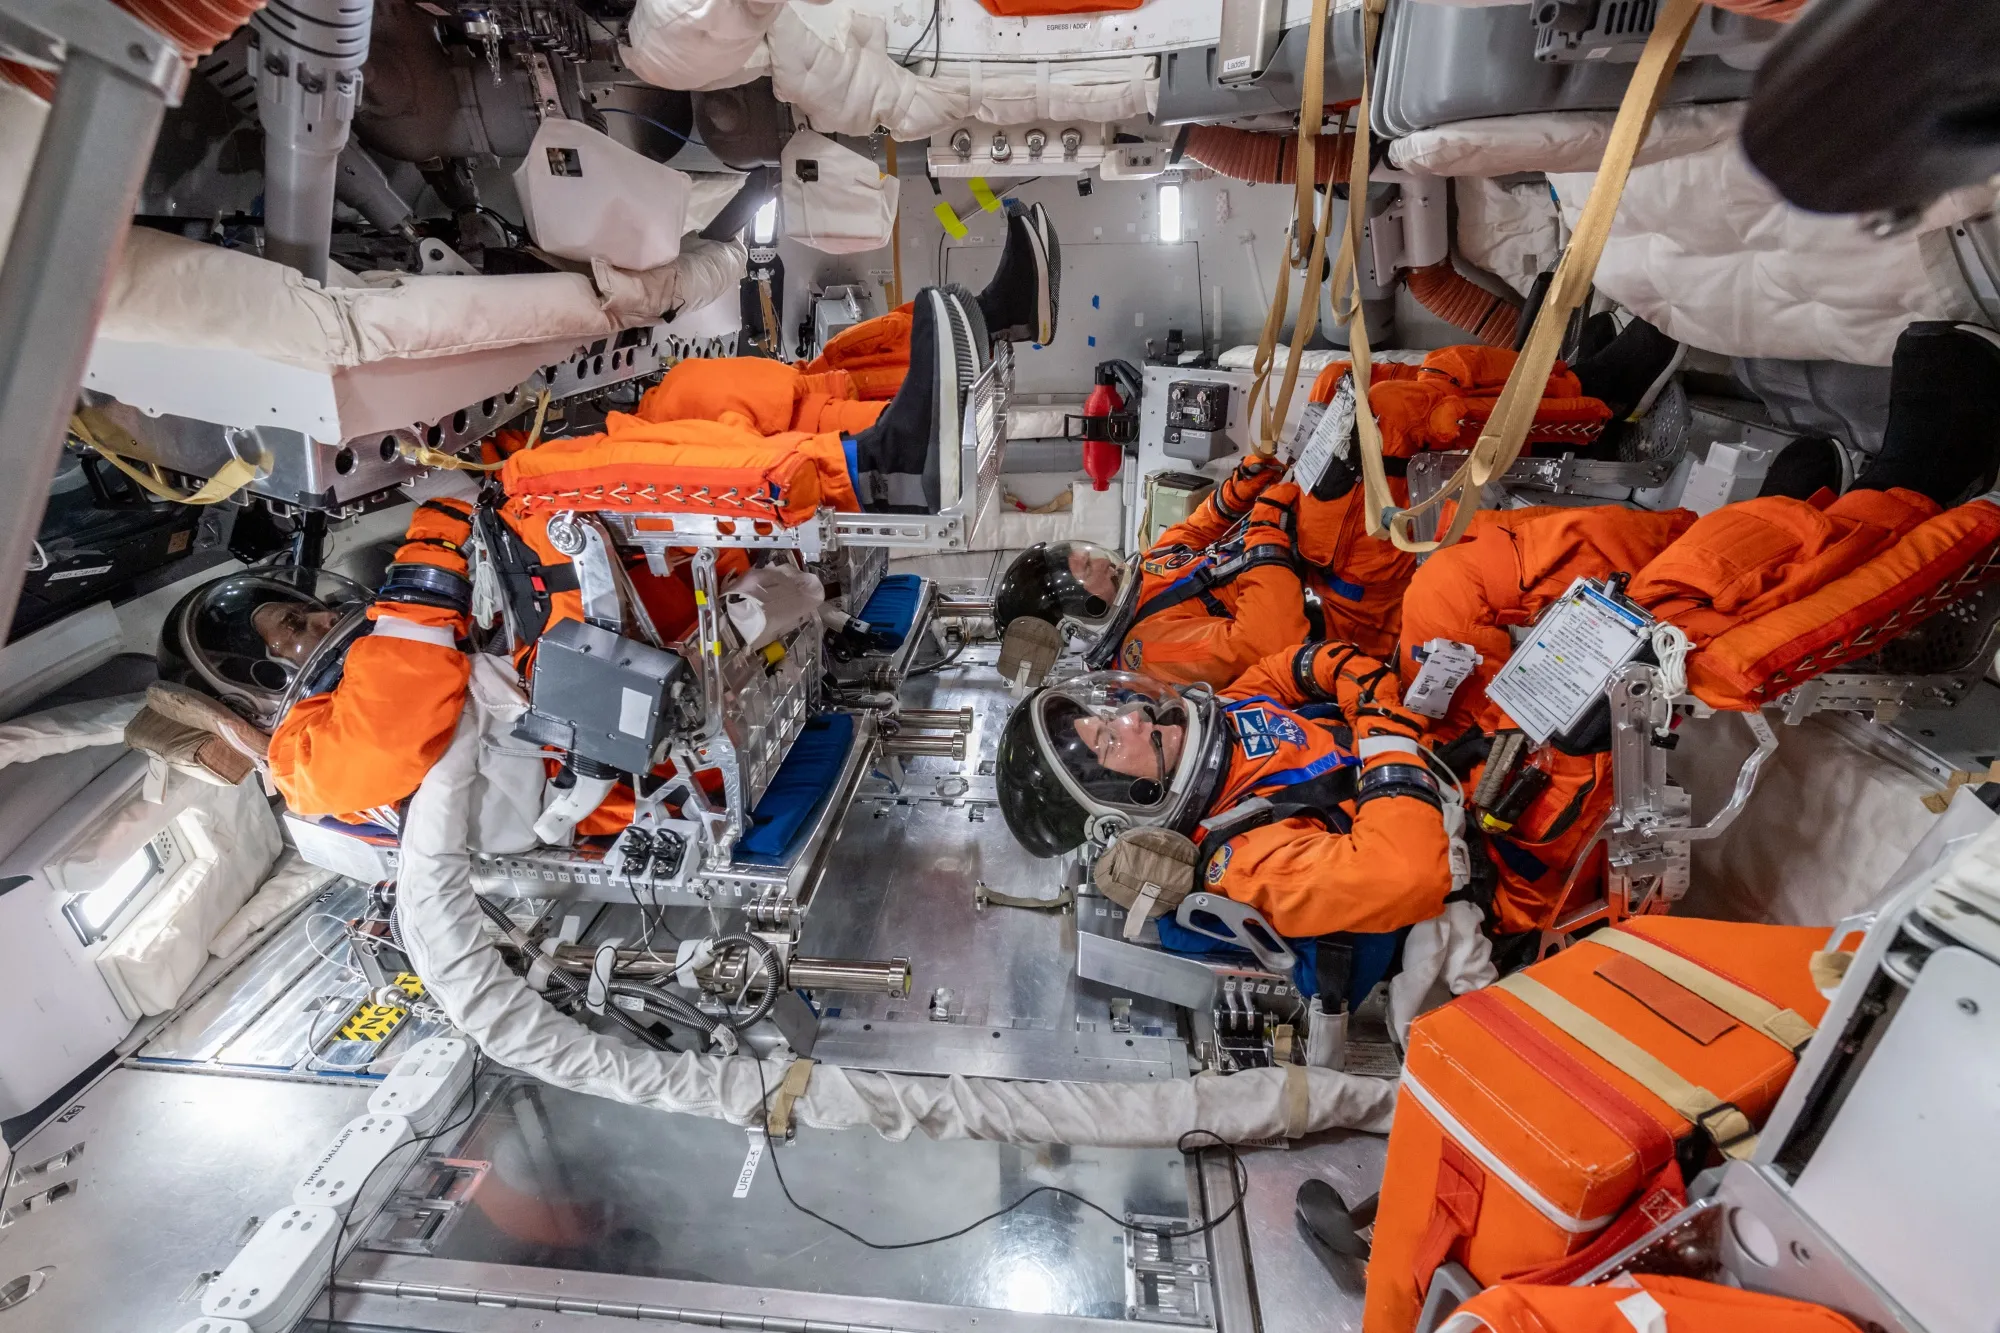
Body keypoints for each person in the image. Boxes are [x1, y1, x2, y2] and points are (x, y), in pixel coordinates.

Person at [156, 283, 989, 829]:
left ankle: (907, 387)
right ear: (252, 686)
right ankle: (875, 467)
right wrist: (440, 530)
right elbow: (388, 729)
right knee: (549, 488)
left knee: (683, 402)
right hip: (614, 731)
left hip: (613, 626)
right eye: (291, 627)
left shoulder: (365, 638)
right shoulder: (303, 767)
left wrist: (505, 442)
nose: (316, 620)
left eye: (296, 607)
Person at [995, 639, 1454, 940]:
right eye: (1111, 740)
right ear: (1126, 800)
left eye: (1111, 717)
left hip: (1431, 740)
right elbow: (1407, 875)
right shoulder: (1243, 857)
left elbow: (1294, 668)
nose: (1134, 716)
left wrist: (1374, 704)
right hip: (1483, 826)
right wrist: (1382, 729)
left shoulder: (1225, 713)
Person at [992, 455, 1314, 687]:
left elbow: (1195, 530)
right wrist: (1268, 536)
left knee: (1332, 384)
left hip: (1292, 549)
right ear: (1081, 621)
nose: (1104, 560)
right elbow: (1263, 642)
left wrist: (1240, 487)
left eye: (1089, 555)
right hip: (1319, 588)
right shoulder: (1149, 651)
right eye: (1089, 568)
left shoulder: (1143, 572)